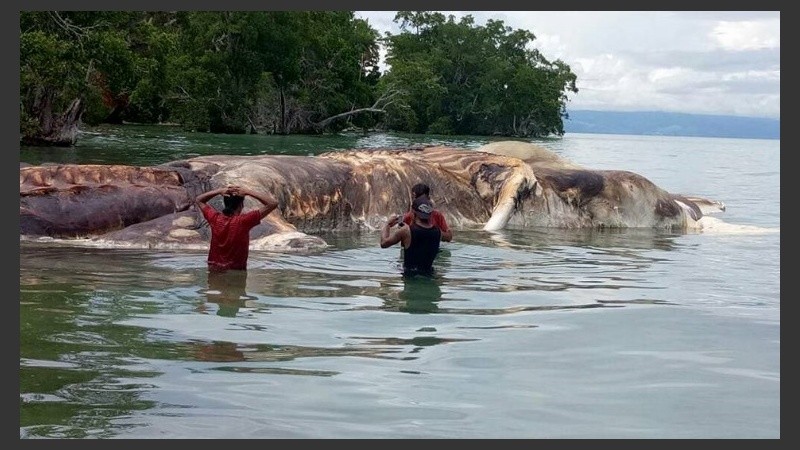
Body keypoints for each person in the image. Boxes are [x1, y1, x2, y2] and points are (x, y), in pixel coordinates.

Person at [195, 184, 278, 272]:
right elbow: (273, 203)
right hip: (236, 271)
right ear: (241, 205)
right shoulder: (244, 221)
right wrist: (248, 192)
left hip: (214, 270)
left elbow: (199, 200)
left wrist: (219, 191)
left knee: (214, 286)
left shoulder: (215, 218)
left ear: (225, 204)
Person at [381, 196, 441, 277]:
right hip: (429, 274)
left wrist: (387, 224)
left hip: (410, 277)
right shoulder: (438, 232)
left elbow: (384, 243)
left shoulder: (406, 231)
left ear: (413, 212)